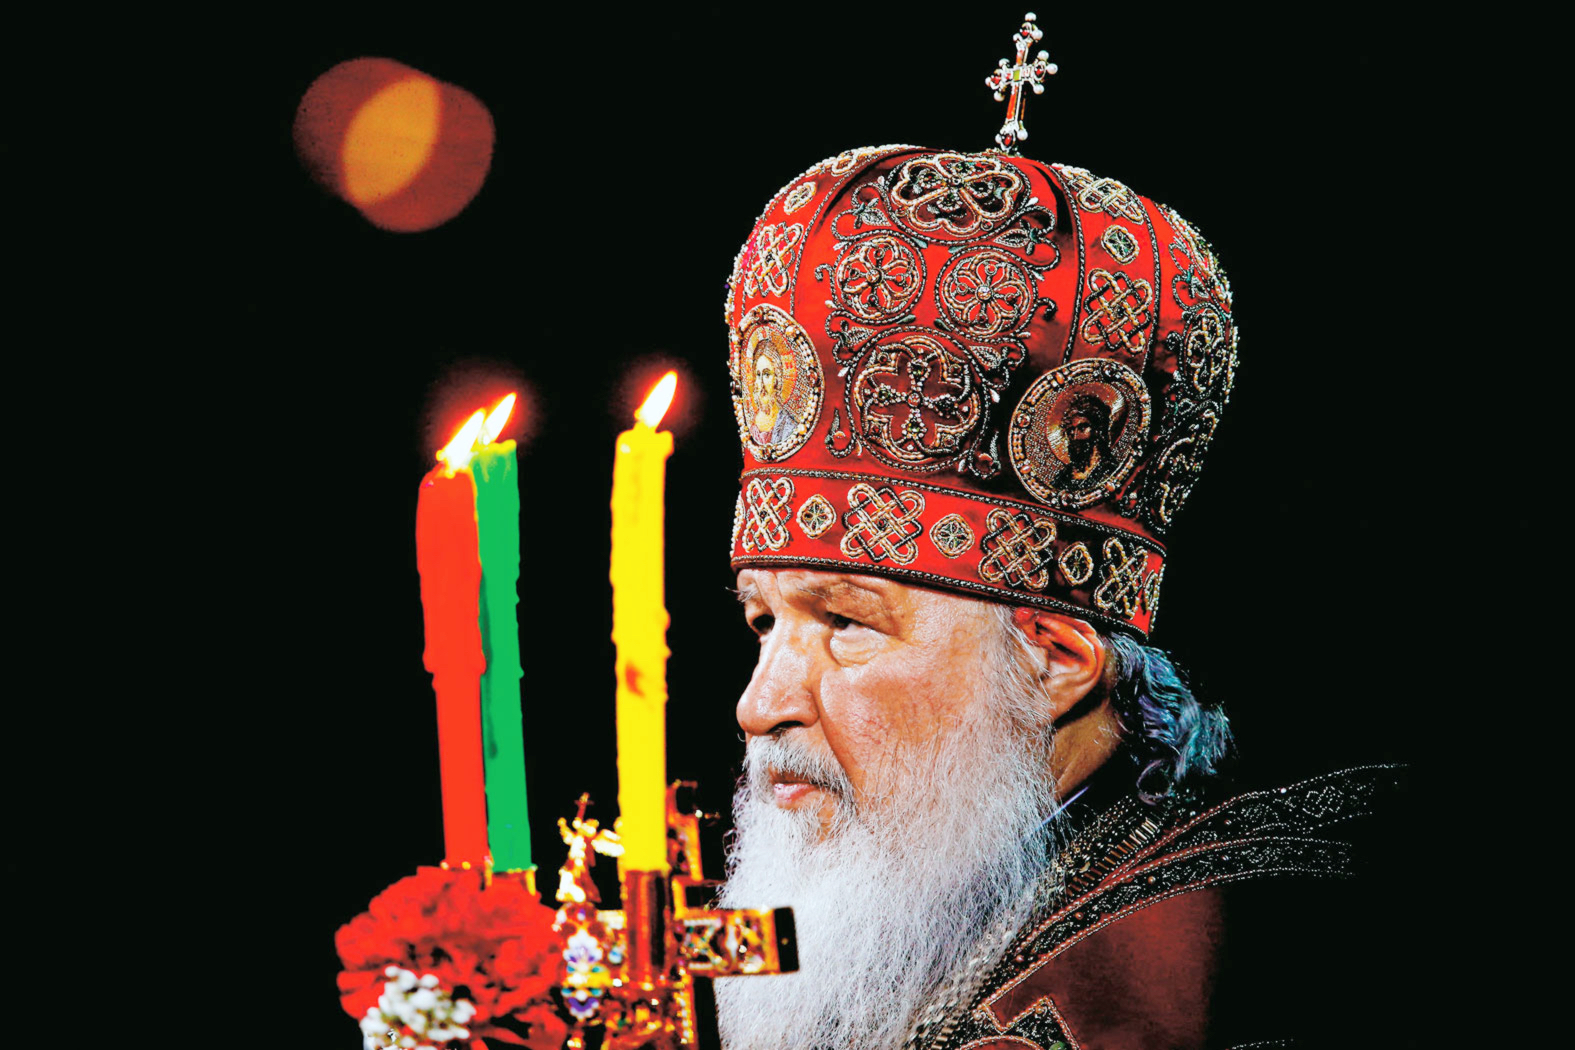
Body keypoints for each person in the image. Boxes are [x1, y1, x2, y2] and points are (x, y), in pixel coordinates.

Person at [713, 140, 1407, 1050]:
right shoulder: (914, 876)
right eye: (763, 621)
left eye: (845, 623)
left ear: (1052, 662)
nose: (758, 704)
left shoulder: (1166, 972)